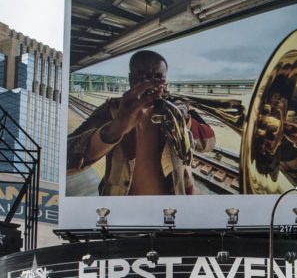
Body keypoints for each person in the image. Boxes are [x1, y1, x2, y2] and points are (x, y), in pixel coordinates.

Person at [66, 50, 215, 195]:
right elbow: (68, 161)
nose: (150, 83)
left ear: (165, 81)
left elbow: (209, 143)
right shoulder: (113, 109)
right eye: (144, 76)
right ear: (131, 78)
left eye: (158, 77)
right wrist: (114, 129)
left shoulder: (177, 107)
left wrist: (184, 121)